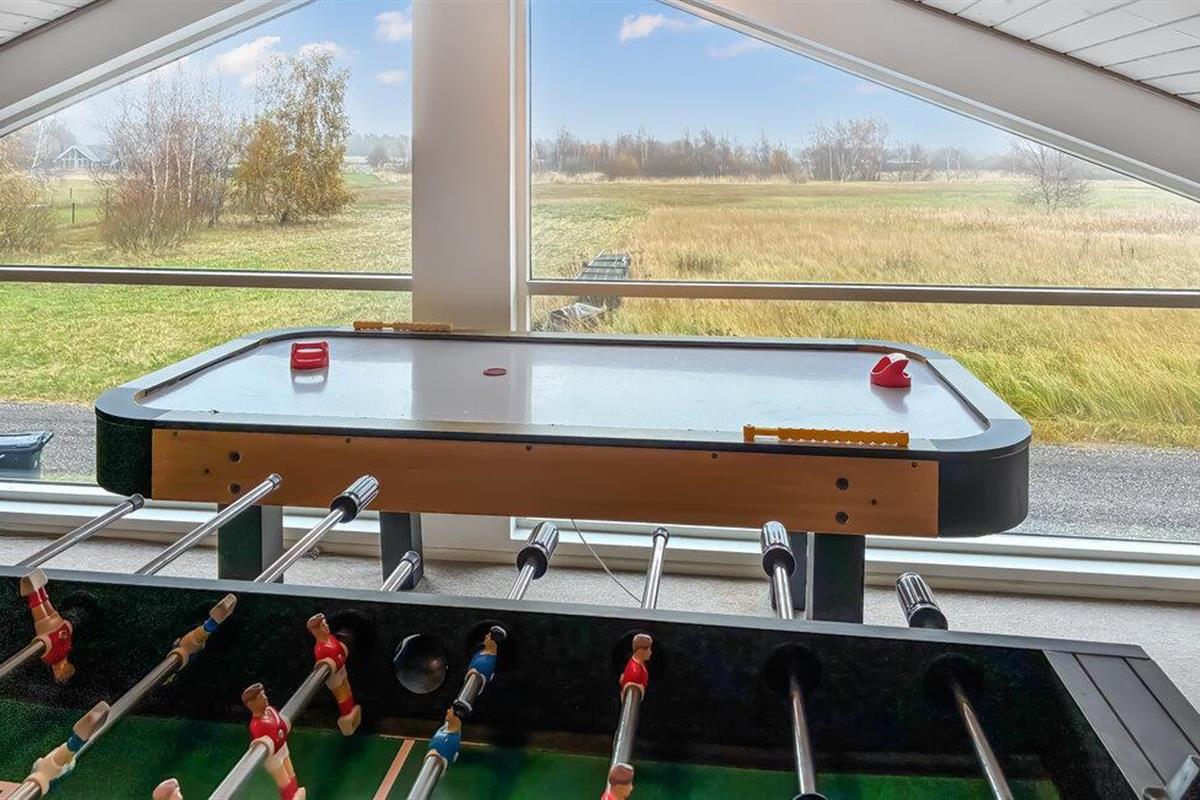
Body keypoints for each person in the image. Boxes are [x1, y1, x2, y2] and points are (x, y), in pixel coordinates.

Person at [242, 683, 305, 800]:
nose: (265, 698)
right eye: (261, 697)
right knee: (285, 782)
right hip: (273, 756)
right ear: (252, 704)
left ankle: (296, 796)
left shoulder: (271, 710)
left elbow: (280, 725)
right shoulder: (256, 725)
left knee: (292, 775)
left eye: (264, 695)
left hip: (282, 747)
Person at [307, 613, 361, 735]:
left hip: (341, 668)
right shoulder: (320, 648)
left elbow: (339, 650)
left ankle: (350, 710)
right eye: (322, 625)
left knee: (347, 688)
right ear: (316, 631)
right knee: (341, 693)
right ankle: (346, 714)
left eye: (325, 623)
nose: (326, 626)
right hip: (334, 674)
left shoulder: (331, 638)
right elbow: (325, 661)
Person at [19, 570, 74, 683]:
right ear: (59, 671)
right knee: (36, 603)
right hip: (46, 629)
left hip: (59, 623)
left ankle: (39, 584)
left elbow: (68, 632)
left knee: (45, 601)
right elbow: (44, 646)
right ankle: (31, 584)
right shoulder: (50, 660)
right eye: (56, 675)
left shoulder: (67, 650)